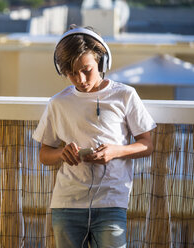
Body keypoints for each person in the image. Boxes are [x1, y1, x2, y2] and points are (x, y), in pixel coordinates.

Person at [32, 25, 156, 248]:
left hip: (111, 201)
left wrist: (115, 151)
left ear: (102, 62)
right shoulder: (57, 103)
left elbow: (147, 145)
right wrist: (62, 153)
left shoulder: (125, 95)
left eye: (86, 69)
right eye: (70, 73)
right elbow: (44, 153)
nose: (79, 79)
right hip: (66, 204)